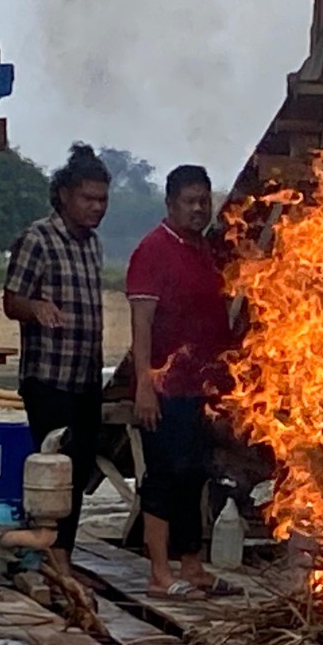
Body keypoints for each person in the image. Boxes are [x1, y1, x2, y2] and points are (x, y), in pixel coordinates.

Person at [125, 164, 238, 599]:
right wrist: (144, 384)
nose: (198, 209)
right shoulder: (153, 250)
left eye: (203, 201)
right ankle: (159, 573)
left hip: (201, 389)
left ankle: (192, 567)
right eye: (189, 202)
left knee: (196, 476)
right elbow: (142, 322)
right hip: (165, 388)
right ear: (170, 204)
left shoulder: (204, 250)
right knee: (164, 476)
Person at [2, 144, 111, 573]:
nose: (96, 208)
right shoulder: (38, 239)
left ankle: (61, 553)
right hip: (49, 378)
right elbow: (12, 301)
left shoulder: (94, 246)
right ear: (65, 195)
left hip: (85, 377)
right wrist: (37, 309)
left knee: (80, 469)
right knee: (54, 467)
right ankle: (50, 557)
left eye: (102, 200)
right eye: (88, 198)